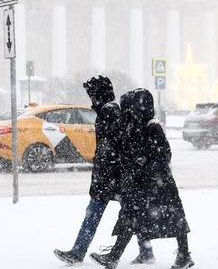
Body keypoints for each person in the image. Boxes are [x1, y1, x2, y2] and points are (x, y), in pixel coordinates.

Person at [54, 76, 154, 265]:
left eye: (92, 95)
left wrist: (105, 171)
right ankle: (146, 251)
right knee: (132, 215)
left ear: (99, 95)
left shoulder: (108, 112)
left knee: (96, 215)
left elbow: (112, 146)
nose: (90, 99)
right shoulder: (109, 110)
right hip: (113, 176)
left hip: (109, 177)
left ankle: (77, 252)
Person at [90, 88, 194, 269]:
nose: (127, 112)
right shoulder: (134, 126)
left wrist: (144, 164)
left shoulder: (152, 127)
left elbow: (164, 156)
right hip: (140, 184)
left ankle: (184, 255)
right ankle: (114, 256)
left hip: (157, 185)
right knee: (130, 217)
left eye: (130, 108)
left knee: (173, 219)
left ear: (140, 108)